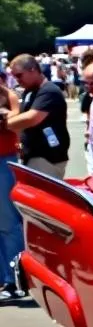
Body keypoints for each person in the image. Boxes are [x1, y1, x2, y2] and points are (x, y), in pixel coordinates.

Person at [1, 54, 71, 179]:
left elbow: (31, 118)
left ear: (32, 70)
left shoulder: (49, 90)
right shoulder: (31, 91)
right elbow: (20, 117)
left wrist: (3, 123)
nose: (17, 80)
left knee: (46, 196)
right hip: (34, 155)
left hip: (47, 157)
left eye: (19, 75)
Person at [0, 73, 24, 301]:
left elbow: (16, 116)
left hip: (3, 159)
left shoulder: (9, 95)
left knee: (7, 222)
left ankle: (14, 279)